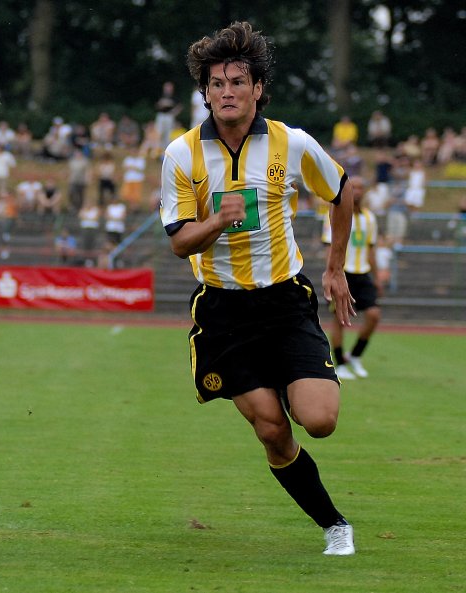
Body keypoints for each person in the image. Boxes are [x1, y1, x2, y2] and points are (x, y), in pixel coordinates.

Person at [160, 22, 356, 555]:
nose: (227, 91)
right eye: (216, 83)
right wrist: (216, 221)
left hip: (284, 301)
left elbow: (341, 191)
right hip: (223, 312)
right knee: (271, 430)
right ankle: (334, 525)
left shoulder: (292, 143)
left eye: (237, 82)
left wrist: (336, 267)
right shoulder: (181, 154)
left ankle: (293, 382)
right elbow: (179, 242)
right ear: (205, 93)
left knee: (320, 420)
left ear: (258, 88)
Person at [322, 176, 382, 380]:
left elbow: (371, 250)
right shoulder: (333, 213)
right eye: (353, 187)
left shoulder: (370, 218)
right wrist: (331, 272)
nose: (357, 191)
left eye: (360, 188)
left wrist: (377, 277)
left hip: (363, 273)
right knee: (340, 320)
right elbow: (329, 247)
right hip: (342, 272)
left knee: (374, 315)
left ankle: (355, 355)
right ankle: (340, 364)